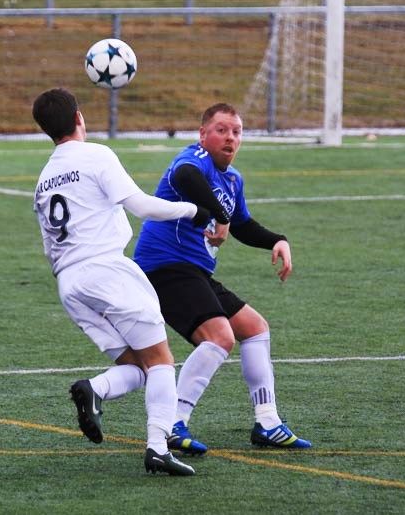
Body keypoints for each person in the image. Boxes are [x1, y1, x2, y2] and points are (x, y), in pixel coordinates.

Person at [31, 88, 211, 476]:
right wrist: (195, 209)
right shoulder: (95, 154)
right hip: (105, 271)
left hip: (69, 282)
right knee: (162, 360)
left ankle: (96, 389)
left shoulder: (44, 180)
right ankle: (158, 447)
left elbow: (49, 245)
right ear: (79, 116)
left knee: (139, 366)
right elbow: (142, 206)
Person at [133, 102, 311, 455]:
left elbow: (241, 224)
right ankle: (172, 424)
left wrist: (278, 239)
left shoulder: (232, 179)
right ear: (203, 135)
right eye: (221, 130)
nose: (230, 137)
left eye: (236, 131)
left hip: (193, 272)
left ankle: (268, 422)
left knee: (255, 328)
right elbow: (186, 179)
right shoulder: (192, 159)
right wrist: (219, 213)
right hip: (165, 267)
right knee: (220, 337)